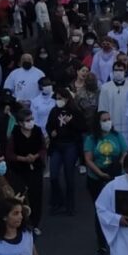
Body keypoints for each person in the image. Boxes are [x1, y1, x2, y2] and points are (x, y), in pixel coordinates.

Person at [84, 110, 128, 255]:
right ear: (98, 123)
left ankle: (118, 237)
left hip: (116, 176)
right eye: (104, 120)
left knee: (118, 208)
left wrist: (120, 164)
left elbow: (124, 151)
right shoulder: (91, 139)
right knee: (101, 210)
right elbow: (88, 159)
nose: (108, 122)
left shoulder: (117, 135)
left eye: (109, 119)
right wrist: (100, 173)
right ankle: (101, 242)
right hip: (96, 178)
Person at [5, 109, 46, 236]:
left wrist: (35, 156)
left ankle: (34, 224)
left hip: (36, 168)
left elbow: (43, 148)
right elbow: (9, 154)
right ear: (20, 123)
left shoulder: (37, 131)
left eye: (32, 119)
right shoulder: (15, 134)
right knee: (20, 196)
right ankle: (21, 223)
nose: (31, 122)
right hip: (19, 170)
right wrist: (23, 159)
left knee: (36, 196)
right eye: (27, 120)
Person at [46, 87, 84, 216]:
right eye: (56, 99)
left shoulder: (75, 112)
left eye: (60, 98)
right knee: (53, 175)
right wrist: (51, 132)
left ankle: (70, 205)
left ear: (67, 98)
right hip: (57, 145)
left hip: (70, 145)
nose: (58, 101)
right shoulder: (54, 111)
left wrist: (71, 122)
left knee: (69, 176)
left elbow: (82, 127)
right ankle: (58, 201)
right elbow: (49, 125)